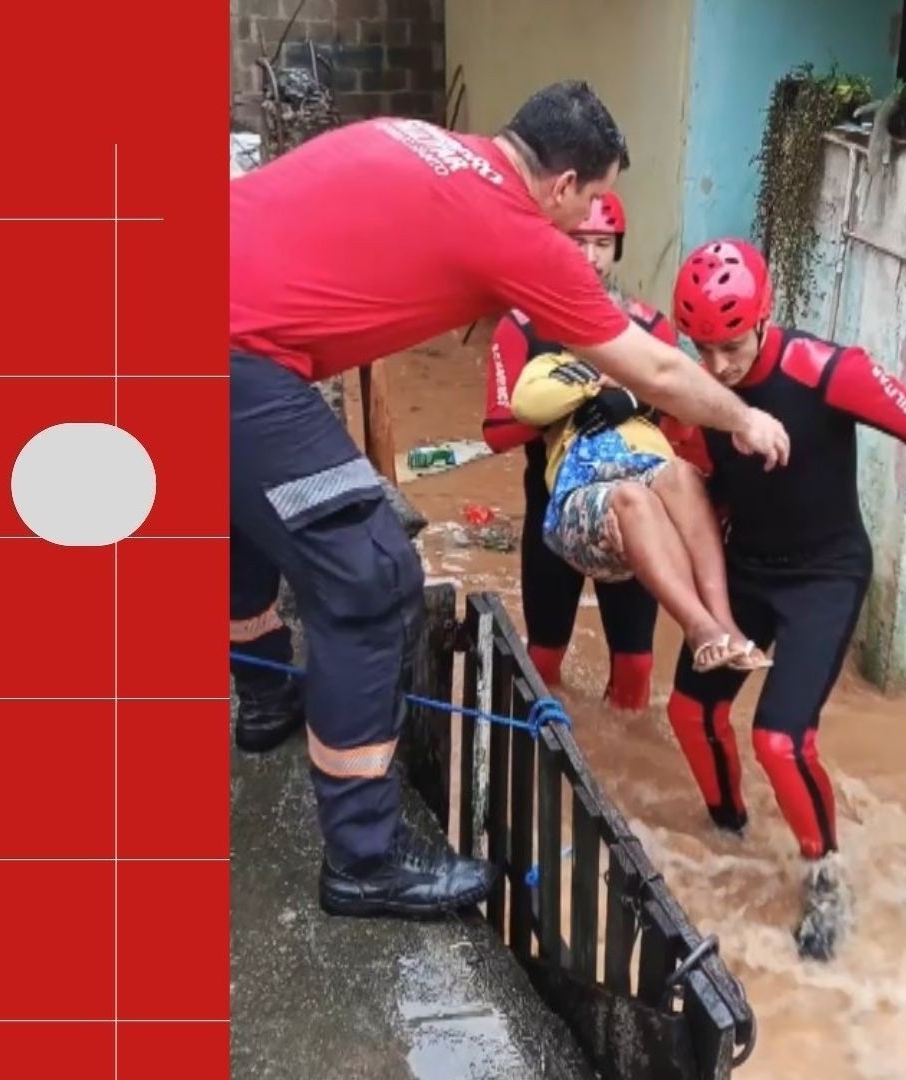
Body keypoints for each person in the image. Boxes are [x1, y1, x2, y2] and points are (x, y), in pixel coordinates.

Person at [229, 83, 793, 921]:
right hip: (232, 362)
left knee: (250, 511)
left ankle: (270, 690)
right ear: (562, 185)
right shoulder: (515, 231)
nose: (593, 222)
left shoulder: (411, 135)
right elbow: (664, 372)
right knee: (370, 572)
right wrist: (745, 414)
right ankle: (365, 858)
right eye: (595, 199)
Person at [650, 238, 906, 960]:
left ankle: (826, 873)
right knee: (689, 710)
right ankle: (727, 834)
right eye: (702, 349)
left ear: (763, 319)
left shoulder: (828, 371)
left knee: (780, 739)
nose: (718, 367)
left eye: (730, 346)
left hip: (825, 575)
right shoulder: (697, 392)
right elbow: (699, 480)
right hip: (749, 569)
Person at [481, 191, 705, 709]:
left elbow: (686, 428)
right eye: (576, 242)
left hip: (635, 512)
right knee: (542, 662)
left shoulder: (650, 328)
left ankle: (619, 773)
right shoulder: (519, 327)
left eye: (601, 244)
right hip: (552, 510)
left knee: (636, 668)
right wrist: (564, 407)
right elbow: (496, 432)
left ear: (617, 250)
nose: (589, 257)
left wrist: (637, 403)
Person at [511, 349, 773, 673]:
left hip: (649, 466)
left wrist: (631, 394)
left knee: (683, 474)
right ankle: (698, 627)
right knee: (634, 498)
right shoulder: (549, 364)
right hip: (584, 484)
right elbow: (528, 404)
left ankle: (724, 625)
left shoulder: (639, 363)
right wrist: (598, 384)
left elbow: (682, 397)